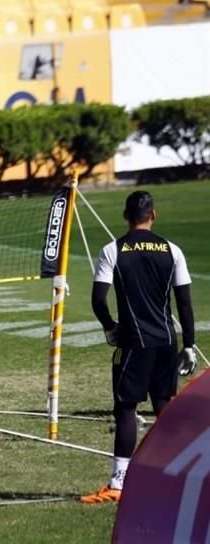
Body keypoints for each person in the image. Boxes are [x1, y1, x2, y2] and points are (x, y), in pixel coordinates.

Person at [80, 190, 197, 504]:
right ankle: (184, 475)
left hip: (132, 343)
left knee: (126, 408)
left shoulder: (112, 250)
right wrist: (190, 345)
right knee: (165, 408)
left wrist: (110, 328)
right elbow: (184, 303)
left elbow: (97, 300)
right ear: (153, 215)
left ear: (125, 216)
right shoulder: (173, 250)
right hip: (166, 342)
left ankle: (118, 483)